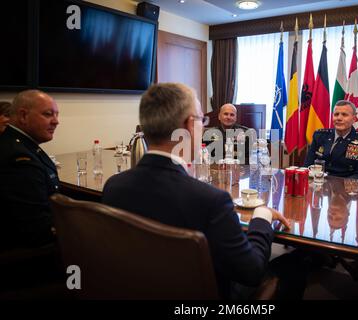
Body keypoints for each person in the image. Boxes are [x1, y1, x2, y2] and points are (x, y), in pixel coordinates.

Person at [103, 83, 294, 299]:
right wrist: (262, 217)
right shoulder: (211, 201)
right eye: (201, 119)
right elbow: (251, 272)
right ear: (188, 125)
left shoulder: (113, 187)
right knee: (291, 266)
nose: (203, 126)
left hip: (137, 289)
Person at [0, 90, 60, 250]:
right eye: (48, 114)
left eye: (56, 115)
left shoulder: (21, 144)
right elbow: (37, 229)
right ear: (23, 116)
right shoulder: (18, 158)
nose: (56, 122)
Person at [305, 100, 358, 180]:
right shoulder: (320, 136)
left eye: (344, 115)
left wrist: (341, 187)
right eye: (336, 114)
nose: (339, 118)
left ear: (354, 118)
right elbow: (307, 166)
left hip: (346, 188)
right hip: (318, 184)